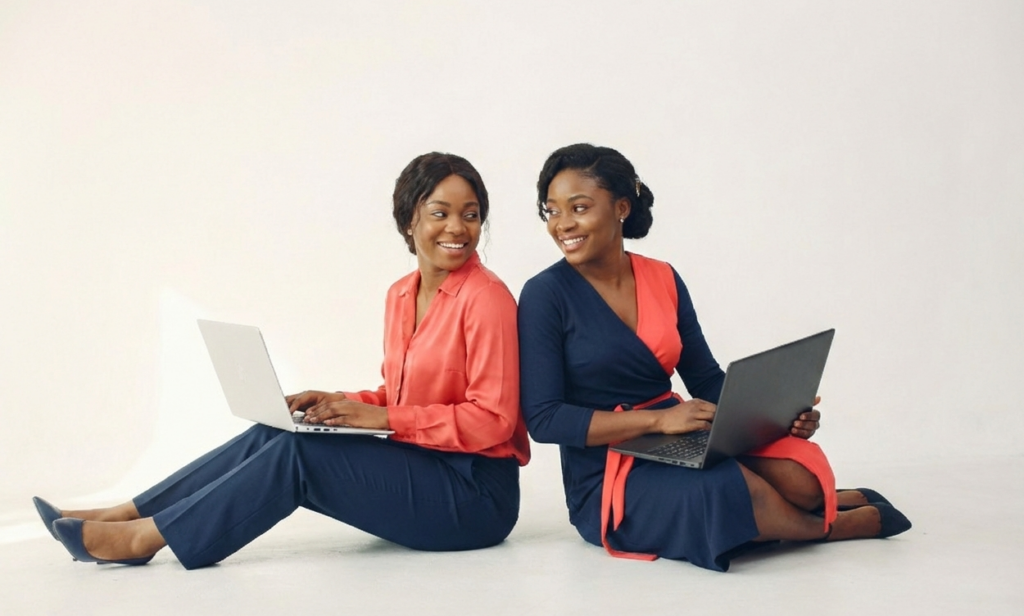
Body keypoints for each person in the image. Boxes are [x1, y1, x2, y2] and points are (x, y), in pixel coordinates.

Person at [33, 152, 531, 570]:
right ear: (409, 221)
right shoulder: (401, 294)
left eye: (471, 214)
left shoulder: (486, 298)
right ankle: (127, 514)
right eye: (440, 213)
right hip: (423, 466)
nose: (458, 228)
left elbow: (493, 419)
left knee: (300, 458)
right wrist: (340, 402)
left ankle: (148, 539)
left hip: (473, 497)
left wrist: (380, 417)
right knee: (280, 432)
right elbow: (406, 398)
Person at [517, 143, 910, 572]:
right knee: (726, 489)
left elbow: (704, 378)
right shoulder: (544, 295)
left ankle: (818, 504)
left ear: (621, 207)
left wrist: (779, 412)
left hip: (679, 438)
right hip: (609, 468)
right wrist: (656, 420)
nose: (562, 225)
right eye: (551, 211)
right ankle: (829, 528)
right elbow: (545, 419)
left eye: (579, 207)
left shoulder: (663, 276)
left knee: (802, 476)